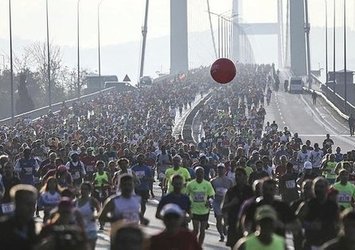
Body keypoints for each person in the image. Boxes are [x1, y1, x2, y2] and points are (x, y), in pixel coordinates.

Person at [297, 177, 339, 249]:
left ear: (327, 189)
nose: (318, 189)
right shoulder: (308, 204)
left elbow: (338, 224)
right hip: (311, 242)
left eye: (321, 187)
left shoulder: (333, 206)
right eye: (316, 186)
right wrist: (310, 225)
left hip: (328, 243)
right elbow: (297, 222)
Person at [222, 167, 254, 249]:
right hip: (233, 225)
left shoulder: (251, 191)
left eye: (239, 175)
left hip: (248, 225)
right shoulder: (231, 191)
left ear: (245, 177)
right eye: (236, 175)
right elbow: (223, 208)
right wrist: (231, 203)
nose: (237, 177)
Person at [0, 184, 38, 250]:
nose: (32, 208)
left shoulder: (30, 224)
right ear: (17, 203)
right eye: (28, 204)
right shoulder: (4, 227)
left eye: (33, 204)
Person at [186, 167, 215, 245]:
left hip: (205, 210)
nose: (200, 174)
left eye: (201, 173)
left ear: (203, 174)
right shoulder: (190, 184)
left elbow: (211, 196)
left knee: (202, 230)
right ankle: (192, 244)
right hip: (194, 210)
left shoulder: (207, 184)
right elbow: (186, 195)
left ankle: (199, 246)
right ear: (195, 174)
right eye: (198, 173)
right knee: (195, 230)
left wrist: (209, 201)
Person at [211, 163, 233, 242]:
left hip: (226, 202)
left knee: (226, 219)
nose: (220, 170)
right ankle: (221, 235)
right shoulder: (213, 181)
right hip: (217, 202)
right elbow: (211, 192)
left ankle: (224, 229)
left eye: (222, 169)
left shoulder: (229, 181)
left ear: (225, 170)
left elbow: (231, 192)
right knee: (219, 219)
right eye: (219, 169)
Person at [76, 182, 101, 250]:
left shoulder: (92, 200)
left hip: (91, 229)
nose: (83, 191)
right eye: (82, 189)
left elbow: (100, 211)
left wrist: (95, 216)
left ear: (90, 191)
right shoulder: (76, 202)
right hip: (79, 231)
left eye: (86, 189)